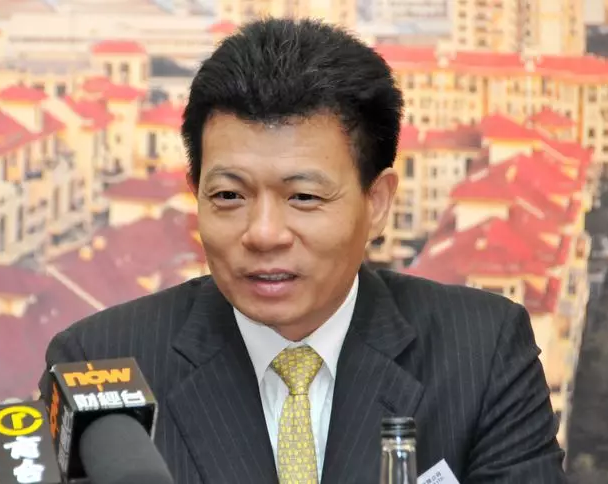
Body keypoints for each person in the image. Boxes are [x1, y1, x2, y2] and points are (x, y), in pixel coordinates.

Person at [39, 18, 568, 484]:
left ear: (377, 203)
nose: (264, 234)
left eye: (304, 197)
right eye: (229, 196)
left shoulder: (481, 352)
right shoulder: (100, 364)